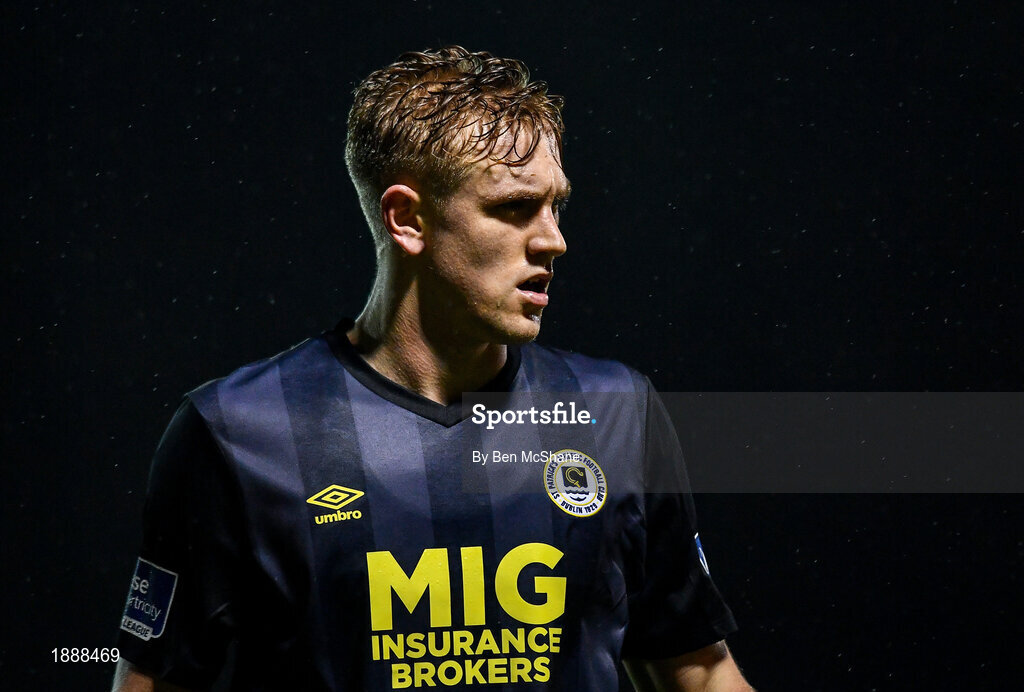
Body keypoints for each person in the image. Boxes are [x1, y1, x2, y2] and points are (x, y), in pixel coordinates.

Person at [112, 46, 753, 691]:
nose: (553, 238)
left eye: (555, 206)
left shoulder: (613, 412)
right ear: (407, 219)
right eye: (514, 208)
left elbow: (700, 674)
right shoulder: (234, 434)